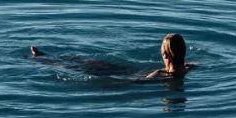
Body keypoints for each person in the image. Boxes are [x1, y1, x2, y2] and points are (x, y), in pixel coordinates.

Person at [29, 32, 193, 82]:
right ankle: (46, 58)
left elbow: (132, 83)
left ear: (165, 54)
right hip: (131, 71)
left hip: (126, 73)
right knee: (88, 64)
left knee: (81, 65)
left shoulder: (159, 74)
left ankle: (43, 58)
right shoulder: (188, 68)